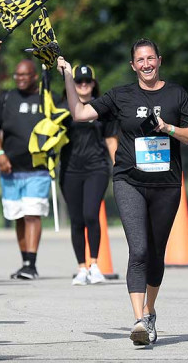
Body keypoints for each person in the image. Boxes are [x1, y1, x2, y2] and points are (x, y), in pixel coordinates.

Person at [57, 38, 188, 346]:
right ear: (132, 65)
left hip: (166, 184)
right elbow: (80, 114)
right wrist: (68, 75)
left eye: (151, 58)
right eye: (140, 60)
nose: (146, 64)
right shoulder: (121, 95)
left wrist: (168, 128)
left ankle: (149, 312)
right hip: (129, 181)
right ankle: (139, 320)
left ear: (159, 60)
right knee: (138, 250)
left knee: (155, 253)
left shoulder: (177, 94)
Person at [0, 60, 49, 280]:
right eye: (17, 75)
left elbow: (59, 123)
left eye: (25, 75)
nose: (21, 78)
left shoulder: (46, 97)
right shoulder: (5, 99)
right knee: (19, 216)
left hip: (38, 168)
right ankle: (25, 262)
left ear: (35, 76)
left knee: (33, 214)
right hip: (10, 169)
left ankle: (32, 265)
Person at [60, 64, 117, 286]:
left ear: (94, 84)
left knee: (91, 214)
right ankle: (81, 267)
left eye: (87, 81)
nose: (83, 85)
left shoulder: (103, 108)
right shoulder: (62, 109)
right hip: (70, 169)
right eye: (78, 82)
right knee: (76, 220)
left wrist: (117, 164)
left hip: (97, 168)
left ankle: (94, 264)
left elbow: (111, 139)